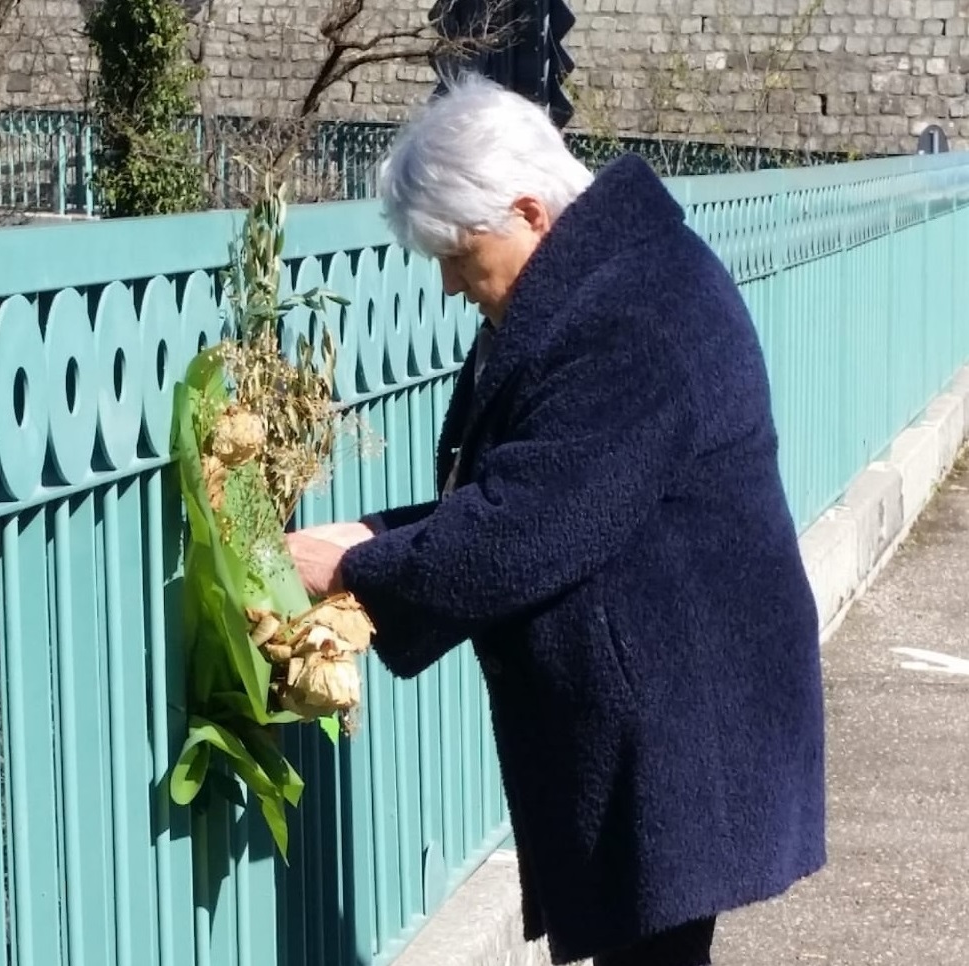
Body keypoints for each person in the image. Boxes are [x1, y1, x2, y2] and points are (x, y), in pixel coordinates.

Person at [286, 74, 826, 966]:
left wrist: (355, 569)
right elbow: (539, 485)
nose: (454, 284)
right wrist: (378, 535)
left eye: (461, 255)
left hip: (682, 715)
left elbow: (527, 527)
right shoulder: (610, 278)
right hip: (670, 692)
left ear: (530, 212)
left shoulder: (634, 313)